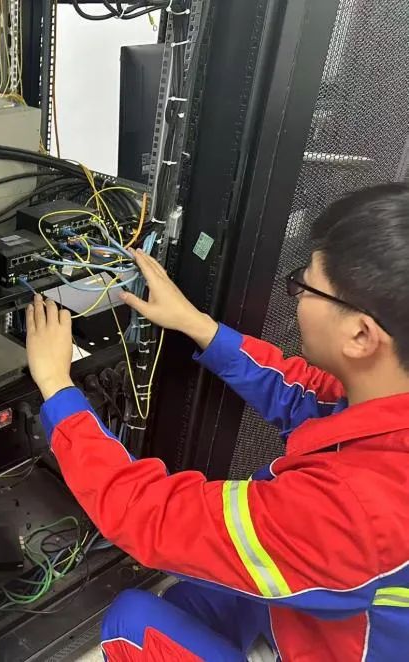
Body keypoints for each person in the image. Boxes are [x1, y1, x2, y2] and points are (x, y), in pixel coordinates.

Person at [25, 183, 409, 661]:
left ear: (361, 335)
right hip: (341, 610)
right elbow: (304, 395)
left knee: (131, 623)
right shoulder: (389, 405)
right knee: (191, 598)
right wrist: (195, 323)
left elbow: (147, 516)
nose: (295, 295)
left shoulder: (353, 511)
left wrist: (56, 387)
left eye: (304, 285)